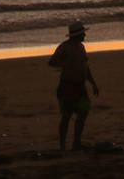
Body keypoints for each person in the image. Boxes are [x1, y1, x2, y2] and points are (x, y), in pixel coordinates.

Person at [48, 21, 99, 151]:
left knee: (83, 114)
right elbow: (52, 62)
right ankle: (62, 145)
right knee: (67, 116)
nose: (84, 36)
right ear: (77, 35)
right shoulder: (64, 47)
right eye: (83, 33)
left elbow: (85, 68)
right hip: (67, 86)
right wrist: (66, 64)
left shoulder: (81, 47)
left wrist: (93, 83)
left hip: (80, 86)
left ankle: (76, 142)